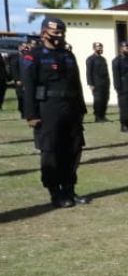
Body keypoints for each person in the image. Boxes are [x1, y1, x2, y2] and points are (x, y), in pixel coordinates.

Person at [21, 17, 91, 207]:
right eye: (56, 32)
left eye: (62, 32)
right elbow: (28, 86)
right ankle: (55, 192)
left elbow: (76, 83)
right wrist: (31, 114)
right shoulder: (33, 56)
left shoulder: (68, 55)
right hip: (47, 108)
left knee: (73, 149)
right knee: (51, 151)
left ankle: (69, 190)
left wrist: (81, 108)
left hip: (70, 108)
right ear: (44, 32)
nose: (60, 36)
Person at [112, 42, 128, 132]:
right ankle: (124, 125)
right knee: (125, 108)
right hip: (123, 88)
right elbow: (116, 76)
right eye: (127, 48)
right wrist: (118, 88)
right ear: (121, 49)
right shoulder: (116, 61)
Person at [84, 42, 111, 122]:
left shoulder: (103, 59)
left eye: (101, 47)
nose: (100, 48)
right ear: (94, 48)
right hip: (96, 84)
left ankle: (103, 115)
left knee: (105, 99)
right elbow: (88, 72)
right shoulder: (90, 59)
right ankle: (98, 117)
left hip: (105, 83)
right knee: (98, 100)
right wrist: (90, 84)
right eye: (98, 47)